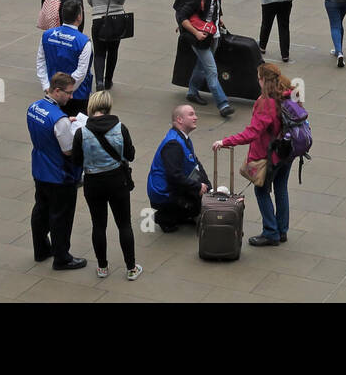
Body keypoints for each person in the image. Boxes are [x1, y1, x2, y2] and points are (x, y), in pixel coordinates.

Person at [214, 63, 297, 247]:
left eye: (258, 77)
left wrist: (225, 141)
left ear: (263, 80)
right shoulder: (287, 94)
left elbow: (252, 133)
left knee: (261, 190)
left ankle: (270, 232)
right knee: (281, 189)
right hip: (287, 151)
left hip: (271, 154)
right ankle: (282, 230)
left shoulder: (266, 101)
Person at [76, 89, 141, 280]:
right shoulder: (121, 128)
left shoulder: (82, 132)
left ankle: (102, 267)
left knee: (98, 225)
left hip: (93, 182)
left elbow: (76, 161)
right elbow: (130, 155)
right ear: (108, 107)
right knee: (124, 225)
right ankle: (131, 268)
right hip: (117, 181)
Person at [28, 73, 87, 271]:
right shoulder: (59, 120)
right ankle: (62, 257)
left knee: (41, 209)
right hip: (59, 174)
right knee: (61, 216)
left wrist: (64, 124)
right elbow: (68, 150)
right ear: (57, 91)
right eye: (68, 93)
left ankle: (41, 249)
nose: (71, 97)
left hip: (39, 168)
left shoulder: (34, 108)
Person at [176, 0, 235, 118]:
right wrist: (196, 32)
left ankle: (192, 91)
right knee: (211, 71)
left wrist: (219, 20)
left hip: (213, 34)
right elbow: (182, 16)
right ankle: (223, 104)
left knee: (202, 65)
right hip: (199, 38)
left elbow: (216, 7)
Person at [148, 103, 212, 231]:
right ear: (179, 119)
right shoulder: (174, 144)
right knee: (197, 205)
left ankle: (181, 212)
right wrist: (197, 187)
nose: (196, 117)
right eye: (191, 114)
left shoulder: (183, 138)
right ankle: (164, 217)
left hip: (172, 187)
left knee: (204, 196)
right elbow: (173, 176)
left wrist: (208, 186)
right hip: (164, 193)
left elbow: (196, 163)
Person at [37, 0, 93, 116]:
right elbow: (81, 73)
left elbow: (40, 62)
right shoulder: (84, 42)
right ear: (79, 17)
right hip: (77, 96)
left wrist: (47, 87)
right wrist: (68, 91)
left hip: (53, 93)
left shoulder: (47, 35)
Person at [85, 0, 126, 91]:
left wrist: (97, 6)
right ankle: (108, 81)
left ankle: (99, 82)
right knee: (113, 51)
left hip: (98, 18)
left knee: (99, 52)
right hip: (115, 17)